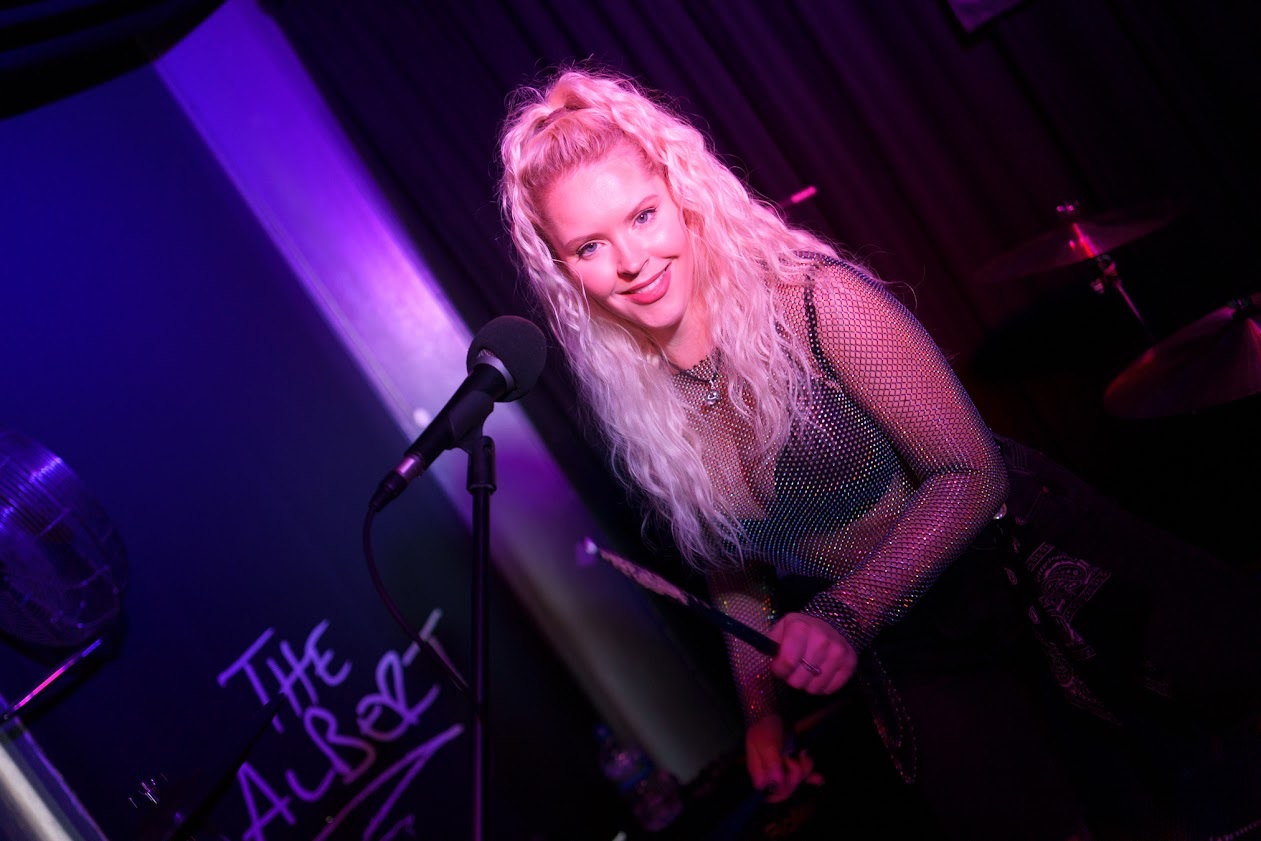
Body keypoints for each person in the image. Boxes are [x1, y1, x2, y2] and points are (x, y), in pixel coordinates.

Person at [496, 65, 1261, 840]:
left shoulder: (813, 302)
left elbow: (972, 471)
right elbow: (735, 574)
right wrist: (762, 713)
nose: (629, 260)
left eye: (642, 215)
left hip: (1025, 586)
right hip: (909, 650)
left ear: (682, 194)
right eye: (589, 246)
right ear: (563, 270)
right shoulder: (640, 404)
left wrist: (842, 611)